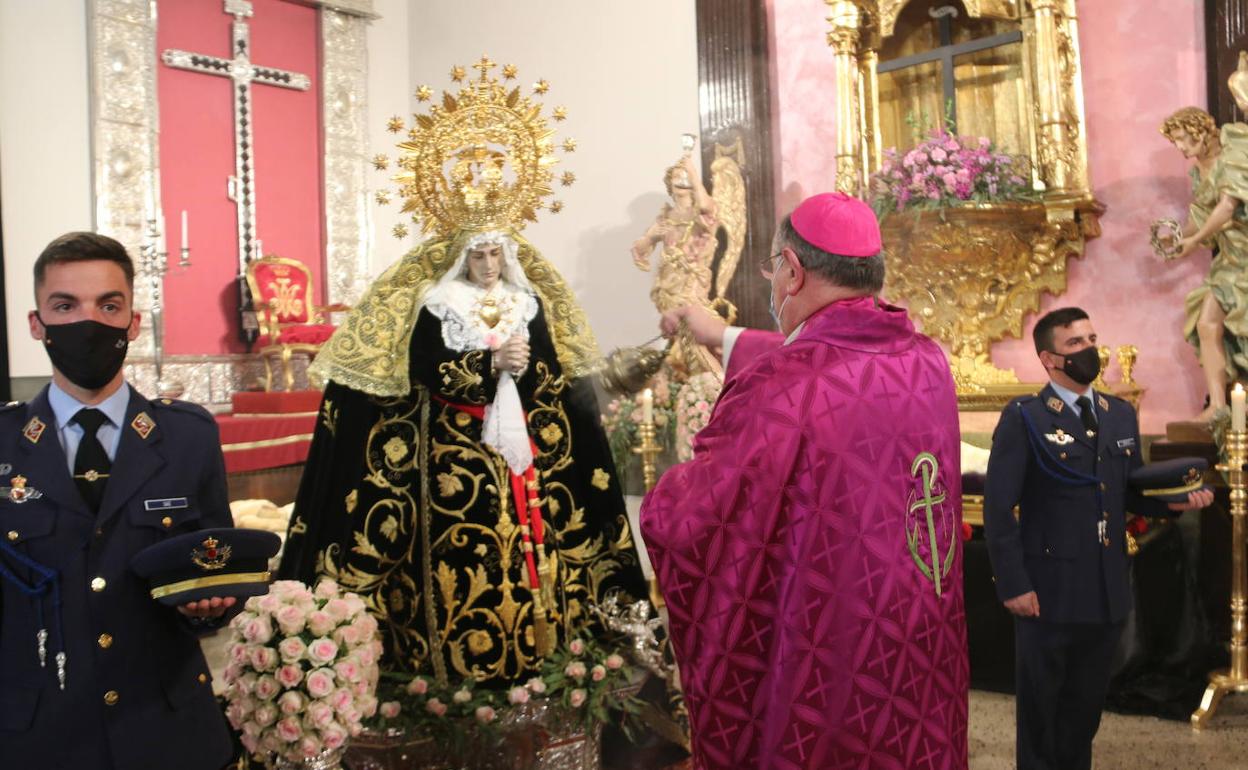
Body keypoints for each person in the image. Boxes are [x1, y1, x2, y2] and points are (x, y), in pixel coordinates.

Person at [641, 192, 968, 769]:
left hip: (832, 650)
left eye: (772, 268)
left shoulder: (781, 383)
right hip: (916, 635)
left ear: (791, 271)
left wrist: (663, 493)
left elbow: (691, 522)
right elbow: (835, 366)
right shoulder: (925, 362)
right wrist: (725, 338)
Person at [278, 227, 647, 686]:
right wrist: (486, 366)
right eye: (478, 256)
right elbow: (423, 367)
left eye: (495, 254)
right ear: (461, 258)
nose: (488, 265)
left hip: (521, 456)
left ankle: (543, 655)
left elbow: (550, 374)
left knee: (537, 543)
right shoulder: (438, 302)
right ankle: (454, 671)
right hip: (452, 457)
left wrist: (527, 366)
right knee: (460, 553)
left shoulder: (525, 302)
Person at [0, 232, 235, 769]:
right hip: (38, 734)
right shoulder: (3, 441)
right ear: (37, 324)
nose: (90, 323)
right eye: (66, 306)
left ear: (134, 322)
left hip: (167, 729)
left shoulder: (188, 437)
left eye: (109, 305)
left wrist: (209, 609)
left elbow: (217, 567)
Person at [983, 306, 1212, 770]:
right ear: (1049, 359)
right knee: (1042, 714)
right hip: (1045, 591)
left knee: (1083, 713)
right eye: (1075, 344)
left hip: (1104, 589)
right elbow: (998, 507)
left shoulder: (1118, 414)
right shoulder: (1025, 418)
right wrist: (1013, 584)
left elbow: (1126, 492)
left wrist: (1173, 503)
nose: (1090, 350)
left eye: (1091, 339)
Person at [1157, 106, 1248, 420]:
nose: (1181, 148)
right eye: (1176, 142)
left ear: (1202, 130)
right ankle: (1219, 407)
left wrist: (1194, 241)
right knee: (1207, 324)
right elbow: (1202, 214)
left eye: (1183, 138)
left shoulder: (1235, 154)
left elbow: (1226, 207)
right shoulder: (1199, 170)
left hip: (1246, 258)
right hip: (1229, 260)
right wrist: (1179, 237)